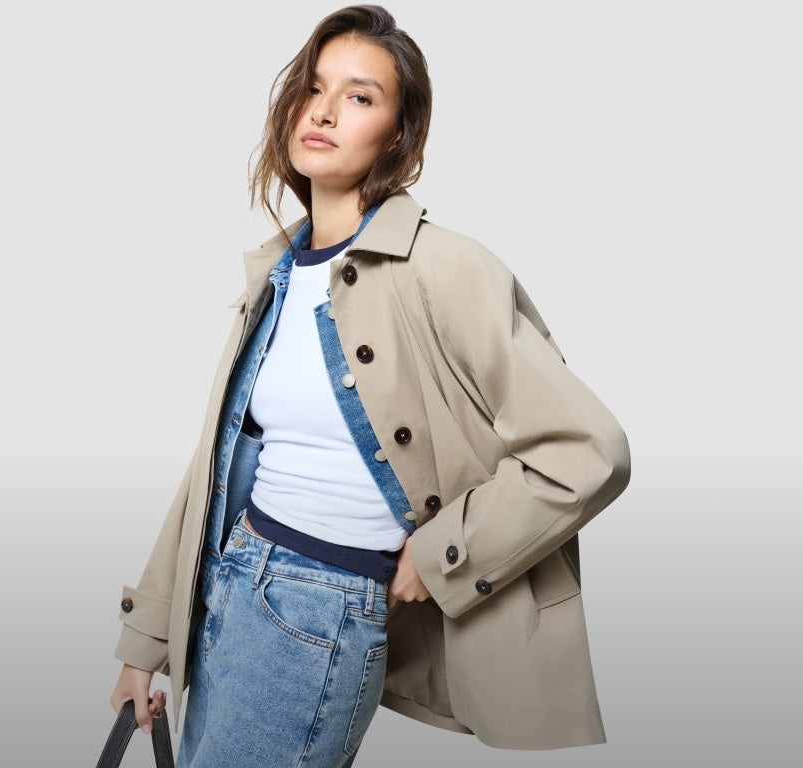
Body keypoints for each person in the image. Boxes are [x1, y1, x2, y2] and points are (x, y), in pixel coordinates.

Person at [110, 5, 630, 766]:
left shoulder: (444, 268)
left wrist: (444, 553)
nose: (323, 111)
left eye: (360, 96)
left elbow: (587, 452)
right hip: (230, 581)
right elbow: (215, 470)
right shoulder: (278, 273)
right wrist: (147, 640)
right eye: (313, 87)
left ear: (397, 135)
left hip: (316, 612)